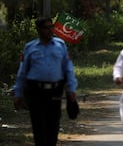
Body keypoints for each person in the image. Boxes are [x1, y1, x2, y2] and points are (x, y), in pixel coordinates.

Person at [13, 17, 78, 146]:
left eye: (51, 27)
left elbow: (68, 68)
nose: (50, 30)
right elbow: (22, 73)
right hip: (36, 91)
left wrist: (71, 88)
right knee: (38, 126)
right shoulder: (30, 47)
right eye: (46, 27)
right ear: (38, 30)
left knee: (53, 125)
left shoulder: (60, 45)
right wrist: (18, 94)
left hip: (55, 91)